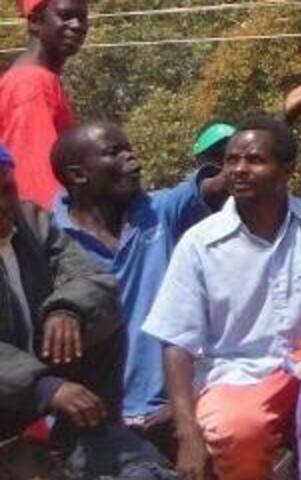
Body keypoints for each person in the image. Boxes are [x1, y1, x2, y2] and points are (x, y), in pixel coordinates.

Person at [144, 117, 301, 480]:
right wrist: (187, 433)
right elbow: (176, 342)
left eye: (254, 160)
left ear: (286, 170)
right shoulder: (200, 243)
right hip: (238, 378)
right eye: (231, 160)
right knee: (238, 430)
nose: (239, 170)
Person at [49, 121, 227, 456]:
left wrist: (284, 119)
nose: (134, 160)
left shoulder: (161, 212)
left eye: (130, 149)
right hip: (94, 431)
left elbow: (231, 179)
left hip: (177, 414)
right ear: (78, 174)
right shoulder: (47, 239)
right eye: (114, 153)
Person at [0, 144, 174, 479]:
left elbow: (94, 280)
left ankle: (88, 438)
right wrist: (46, 388)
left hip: (55, 405)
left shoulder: (33, 222)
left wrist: (67, 309)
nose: (4, 205)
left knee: (93, 314)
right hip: (21, 402)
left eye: (7, 189)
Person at [0, 0, 85, 209]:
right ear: (35, 22)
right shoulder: (30, 84)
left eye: (82, 18)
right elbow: (37, 183)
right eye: (65, 16)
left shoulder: (43, 79)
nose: (77, 25)